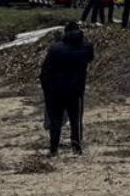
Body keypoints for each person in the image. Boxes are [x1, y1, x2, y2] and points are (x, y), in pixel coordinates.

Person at [38, 21, 94, 156]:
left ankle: (53, 149)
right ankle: (76, 147)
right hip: (76, 90)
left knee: (55, 120)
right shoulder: (86, 47)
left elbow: (45, 71)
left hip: (56, 90)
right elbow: (90, 57)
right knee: (76, 120)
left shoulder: (55, 49)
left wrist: (46, 89)